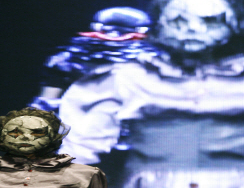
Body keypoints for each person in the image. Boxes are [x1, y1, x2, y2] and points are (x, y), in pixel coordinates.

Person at [59, 0, 244, 188]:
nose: (192, 29)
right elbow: (79, 151)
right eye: (178, 20)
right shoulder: (121, 78)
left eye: (210, 20)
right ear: (160, 25)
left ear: (239, 22)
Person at [30, 6, 158, 113]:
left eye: (122, 32)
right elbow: (46, 102)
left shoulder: (152, 62)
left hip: (130, 124)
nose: (114, 36)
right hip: (76, 123)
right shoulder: (67, 60)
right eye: (109, 31)